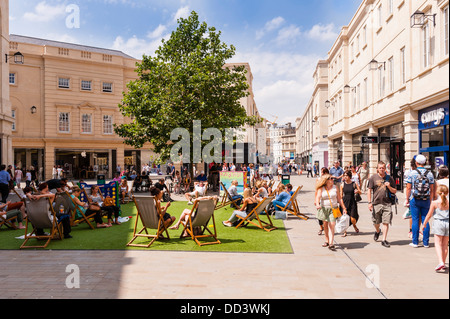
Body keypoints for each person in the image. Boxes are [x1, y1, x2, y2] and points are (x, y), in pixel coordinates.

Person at [405, 154, 435, 248]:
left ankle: (415, 242)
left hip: (415, 199)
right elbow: (432, 189)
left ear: (416, 163)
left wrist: (407, 199)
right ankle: (426, 243)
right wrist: (431, 200)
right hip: (426, 199)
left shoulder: (412, 173)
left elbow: (408, 188)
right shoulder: (430, 173)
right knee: (425, 220)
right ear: (425, 163)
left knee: (415, 220)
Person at [367, 161, 397, 248]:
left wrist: (389, 186)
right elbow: (369, 190)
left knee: (386, 222)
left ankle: (384, 240)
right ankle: (377, 231)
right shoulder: (373, 178)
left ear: (385, 168)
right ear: (377, 169)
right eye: (380, 168)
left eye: (383, 168)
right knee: (376, 222)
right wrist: (369, 202)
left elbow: (394, 191)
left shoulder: (389, 178)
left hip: (387, 203)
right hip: (376, 203)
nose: (381, 169)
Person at [315, 174, 347, 250]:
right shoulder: (321, 188)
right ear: (326, 180)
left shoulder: (335, 187)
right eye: (331, 178)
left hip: (333, 209)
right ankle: (327, 240)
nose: (333, 180)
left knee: (332, 224)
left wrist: (344, 208)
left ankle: (331, 243)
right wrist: (317, 204)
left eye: (333, 178)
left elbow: (339, 199)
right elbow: (318, 197)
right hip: (324, 209)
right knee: (325, 225)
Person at [423, 184, 449, 271]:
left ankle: (440, 262)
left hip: (438, 223)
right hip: (448, 223)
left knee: (438, 244)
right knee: (445, 245)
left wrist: (424, 224)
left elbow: (429, 214)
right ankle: (443, 263)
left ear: (438, 192)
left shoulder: (435, 203)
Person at [341, 170, 361, 237]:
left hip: (352, 202)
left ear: (349, 176)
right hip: (345, 202)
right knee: (345, 218)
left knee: (352, 218)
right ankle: (345, 231)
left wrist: (357, 191)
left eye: (346, 175)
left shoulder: (354, 184)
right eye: (344, 175)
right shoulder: (342, 184)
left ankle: (354, 226)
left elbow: (360, 192)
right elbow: (341, 196)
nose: (345, 177)